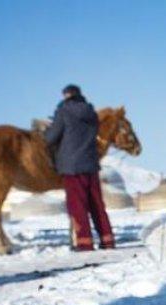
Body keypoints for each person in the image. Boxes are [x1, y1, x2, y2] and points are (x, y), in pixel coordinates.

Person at [45, 84, 115, 251]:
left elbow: (51, 137)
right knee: (97, 204)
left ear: (67, 95)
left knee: (78, 206)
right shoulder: (91, 113)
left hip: (72, 167)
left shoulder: (64, 111)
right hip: (91, 164)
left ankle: (84, 243)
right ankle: (108, 240)